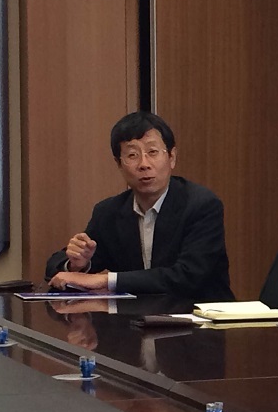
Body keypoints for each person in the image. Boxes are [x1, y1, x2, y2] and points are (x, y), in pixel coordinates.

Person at [46, 111, 235, 301]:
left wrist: (107, 280)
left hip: (200, 315)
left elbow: (187, 276)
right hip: (137, 317)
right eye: (132, 155)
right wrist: (77, 265)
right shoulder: (109, 212)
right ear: (119, 164)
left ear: (172, 157)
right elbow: (56, 265)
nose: (144, 164)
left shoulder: (201, 205)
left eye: (152, 152)